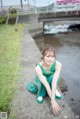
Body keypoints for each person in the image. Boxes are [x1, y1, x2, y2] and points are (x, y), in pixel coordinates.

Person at [26, 44, 62, 115]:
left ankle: (54, 91)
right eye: (48, 56)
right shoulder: (38, 68)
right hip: (42, 82)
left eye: (52, 56)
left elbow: (54, 81)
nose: (50, 59)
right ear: (43, 57)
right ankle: (40, 93)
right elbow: (46, 85)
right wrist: (53, 102)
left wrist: (53, 99)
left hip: (51, 80)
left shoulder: (58, 64)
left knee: (52, 77)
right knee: (44, 80)